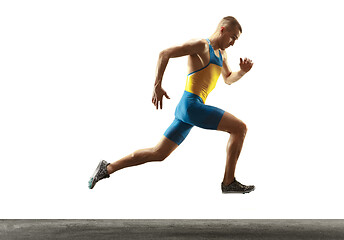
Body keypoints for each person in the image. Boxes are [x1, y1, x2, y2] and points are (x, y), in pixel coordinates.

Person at [88, 16, 255, 193]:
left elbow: (228, 79)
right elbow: (165, 53)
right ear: (222, 29)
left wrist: (242, 72)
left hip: (189, 110)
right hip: (192, 106)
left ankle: (107, 168)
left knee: (158, 153)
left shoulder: (223, 54)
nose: (233, 43)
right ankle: (228, 182)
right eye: (233, 38)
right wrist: (157, 85)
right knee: (240, 128)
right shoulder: (201, 45)